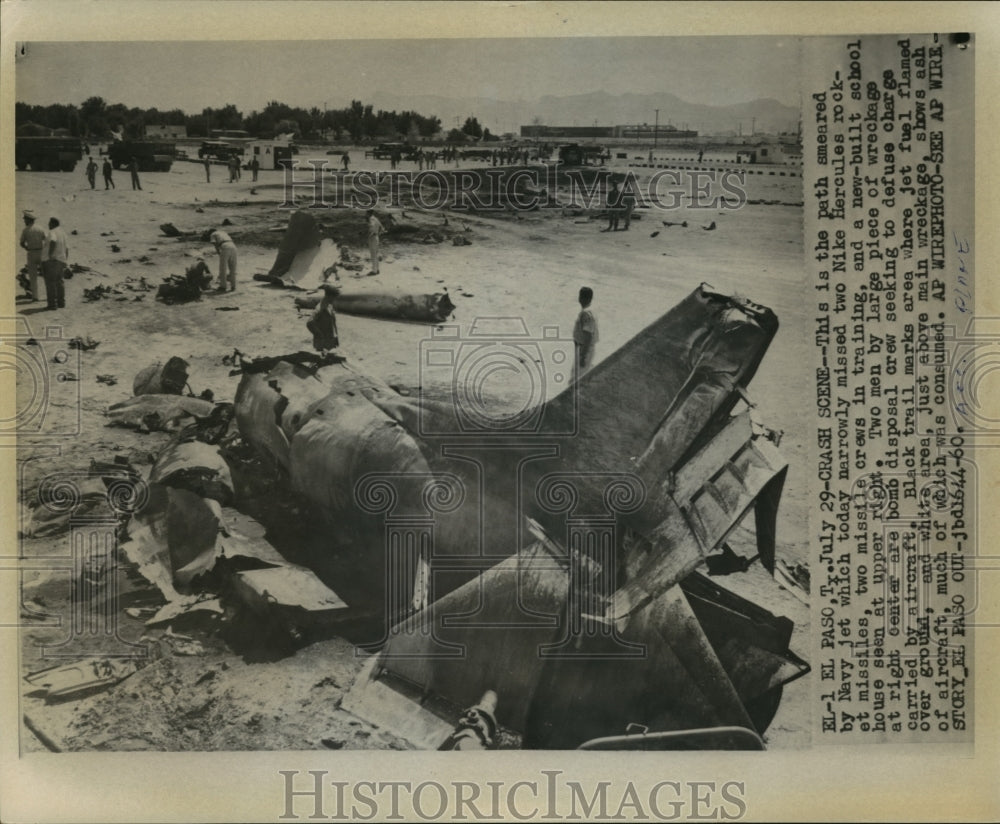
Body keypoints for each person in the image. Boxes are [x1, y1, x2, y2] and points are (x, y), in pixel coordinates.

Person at [42, 217, 69, 310]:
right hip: (61, 260)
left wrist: (50, 255)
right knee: (60, 282)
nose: (48, 225)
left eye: (49, 223)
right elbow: (67, 249)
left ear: (53, 224)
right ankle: (61, 303)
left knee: (50, 283)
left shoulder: (52, 232)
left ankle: (52, 305)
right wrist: (65, 260)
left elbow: (53, 241)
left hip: (52, 261)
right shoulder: (63, 233)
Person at [572, 287, 598, 382]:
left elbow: (588, 336)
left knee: (577, 378)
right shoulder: (588, 311)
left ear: (582, 298)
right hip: (583, 348)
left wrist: (583, 356)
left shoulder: (586, 314)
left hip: (584, 348)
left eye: (581, 296)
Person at [19, 210, 46, 301]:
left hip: (31, 253)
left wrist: (26, 248)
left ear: (28, 220)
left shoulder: (26, 230)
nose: (24, 221)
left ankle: (35, 296)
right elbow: (46, 240)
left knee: (33, 276)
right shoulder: (40, 228)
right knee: (46, 275)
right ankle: (49, 295)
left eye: (25, 219)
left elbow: (22, 243)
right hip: (41, 252)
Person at [307, 282, 341, 353]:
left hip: (330, 341)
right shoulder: (320, 308)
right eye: (334, 298)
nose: (335, 300)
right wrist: (319, 335)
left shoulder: (329, 306)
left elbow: (332, 323)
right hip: (322, 345)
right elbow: (309, 323)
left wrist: (336, 337)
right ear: (329, 296)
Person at [209, 227, 238, 292]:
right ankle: (233, 286)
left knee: (223, 268)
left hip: (225, 246)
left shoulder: (213, 234)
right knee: (233, 267)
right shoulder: (223, 232)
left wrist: (218, 252)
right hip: (233, 246)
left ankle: (223, 286)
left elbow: (215, 244)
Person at [366, 209, 385, 276]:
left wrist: (370, 235)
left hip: (372, 238)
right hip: (376, 237)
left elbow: (372, 228)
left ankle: (374, 271)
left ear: (368, 213)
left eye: (367, 213)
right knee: (376, 254)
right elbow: (383, 229)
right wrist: (377, 234)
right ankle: (377, 269)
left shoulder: (371, 219)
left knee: (373, 254)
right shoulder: (376, 219)